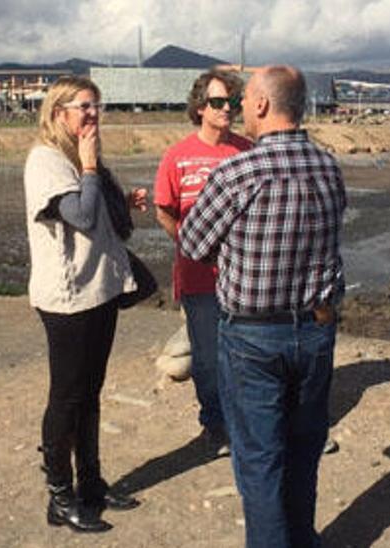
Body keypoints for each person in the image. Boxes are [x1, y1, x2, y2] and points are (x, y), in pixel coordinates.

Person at [179, 65, 346, 548]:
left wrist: (230, 248)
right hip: (315, 331)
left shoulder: (238, 171)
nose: (235, 110)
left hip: (252, 336)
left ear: (261, 105)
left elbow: (192, 242)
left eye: (242, 99)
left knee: (258, 460)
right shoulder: (328, 165)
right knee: (303, 450)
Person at [23, 75, 147, 533]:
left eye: (97, 107)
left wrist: (123, 200)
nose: (93, 115)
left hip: (100, 291)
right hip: (69, 298)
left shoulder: (79, 156)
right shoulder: (46, 160)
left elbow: (105, 218)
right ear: (59, 113)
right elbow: (80, 215)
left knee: (90, 394)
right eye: (83, 107)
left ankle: (92, 484)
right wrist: (91, 168)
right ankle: (60, 496)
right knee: (66, 398)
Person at [154, 69, 253, 459]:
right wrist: (189, 244)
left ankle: (244, 422)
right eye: (217, 102)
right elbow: (164, 210)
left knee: (245, 354)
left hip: (243, 277)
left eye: (231, 101)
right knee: (208, 359)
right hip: (198, 278)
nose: (226, 108)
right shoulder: (177, 156)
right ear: (200, 107)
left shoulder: (246, 150)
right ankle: (215, 424)